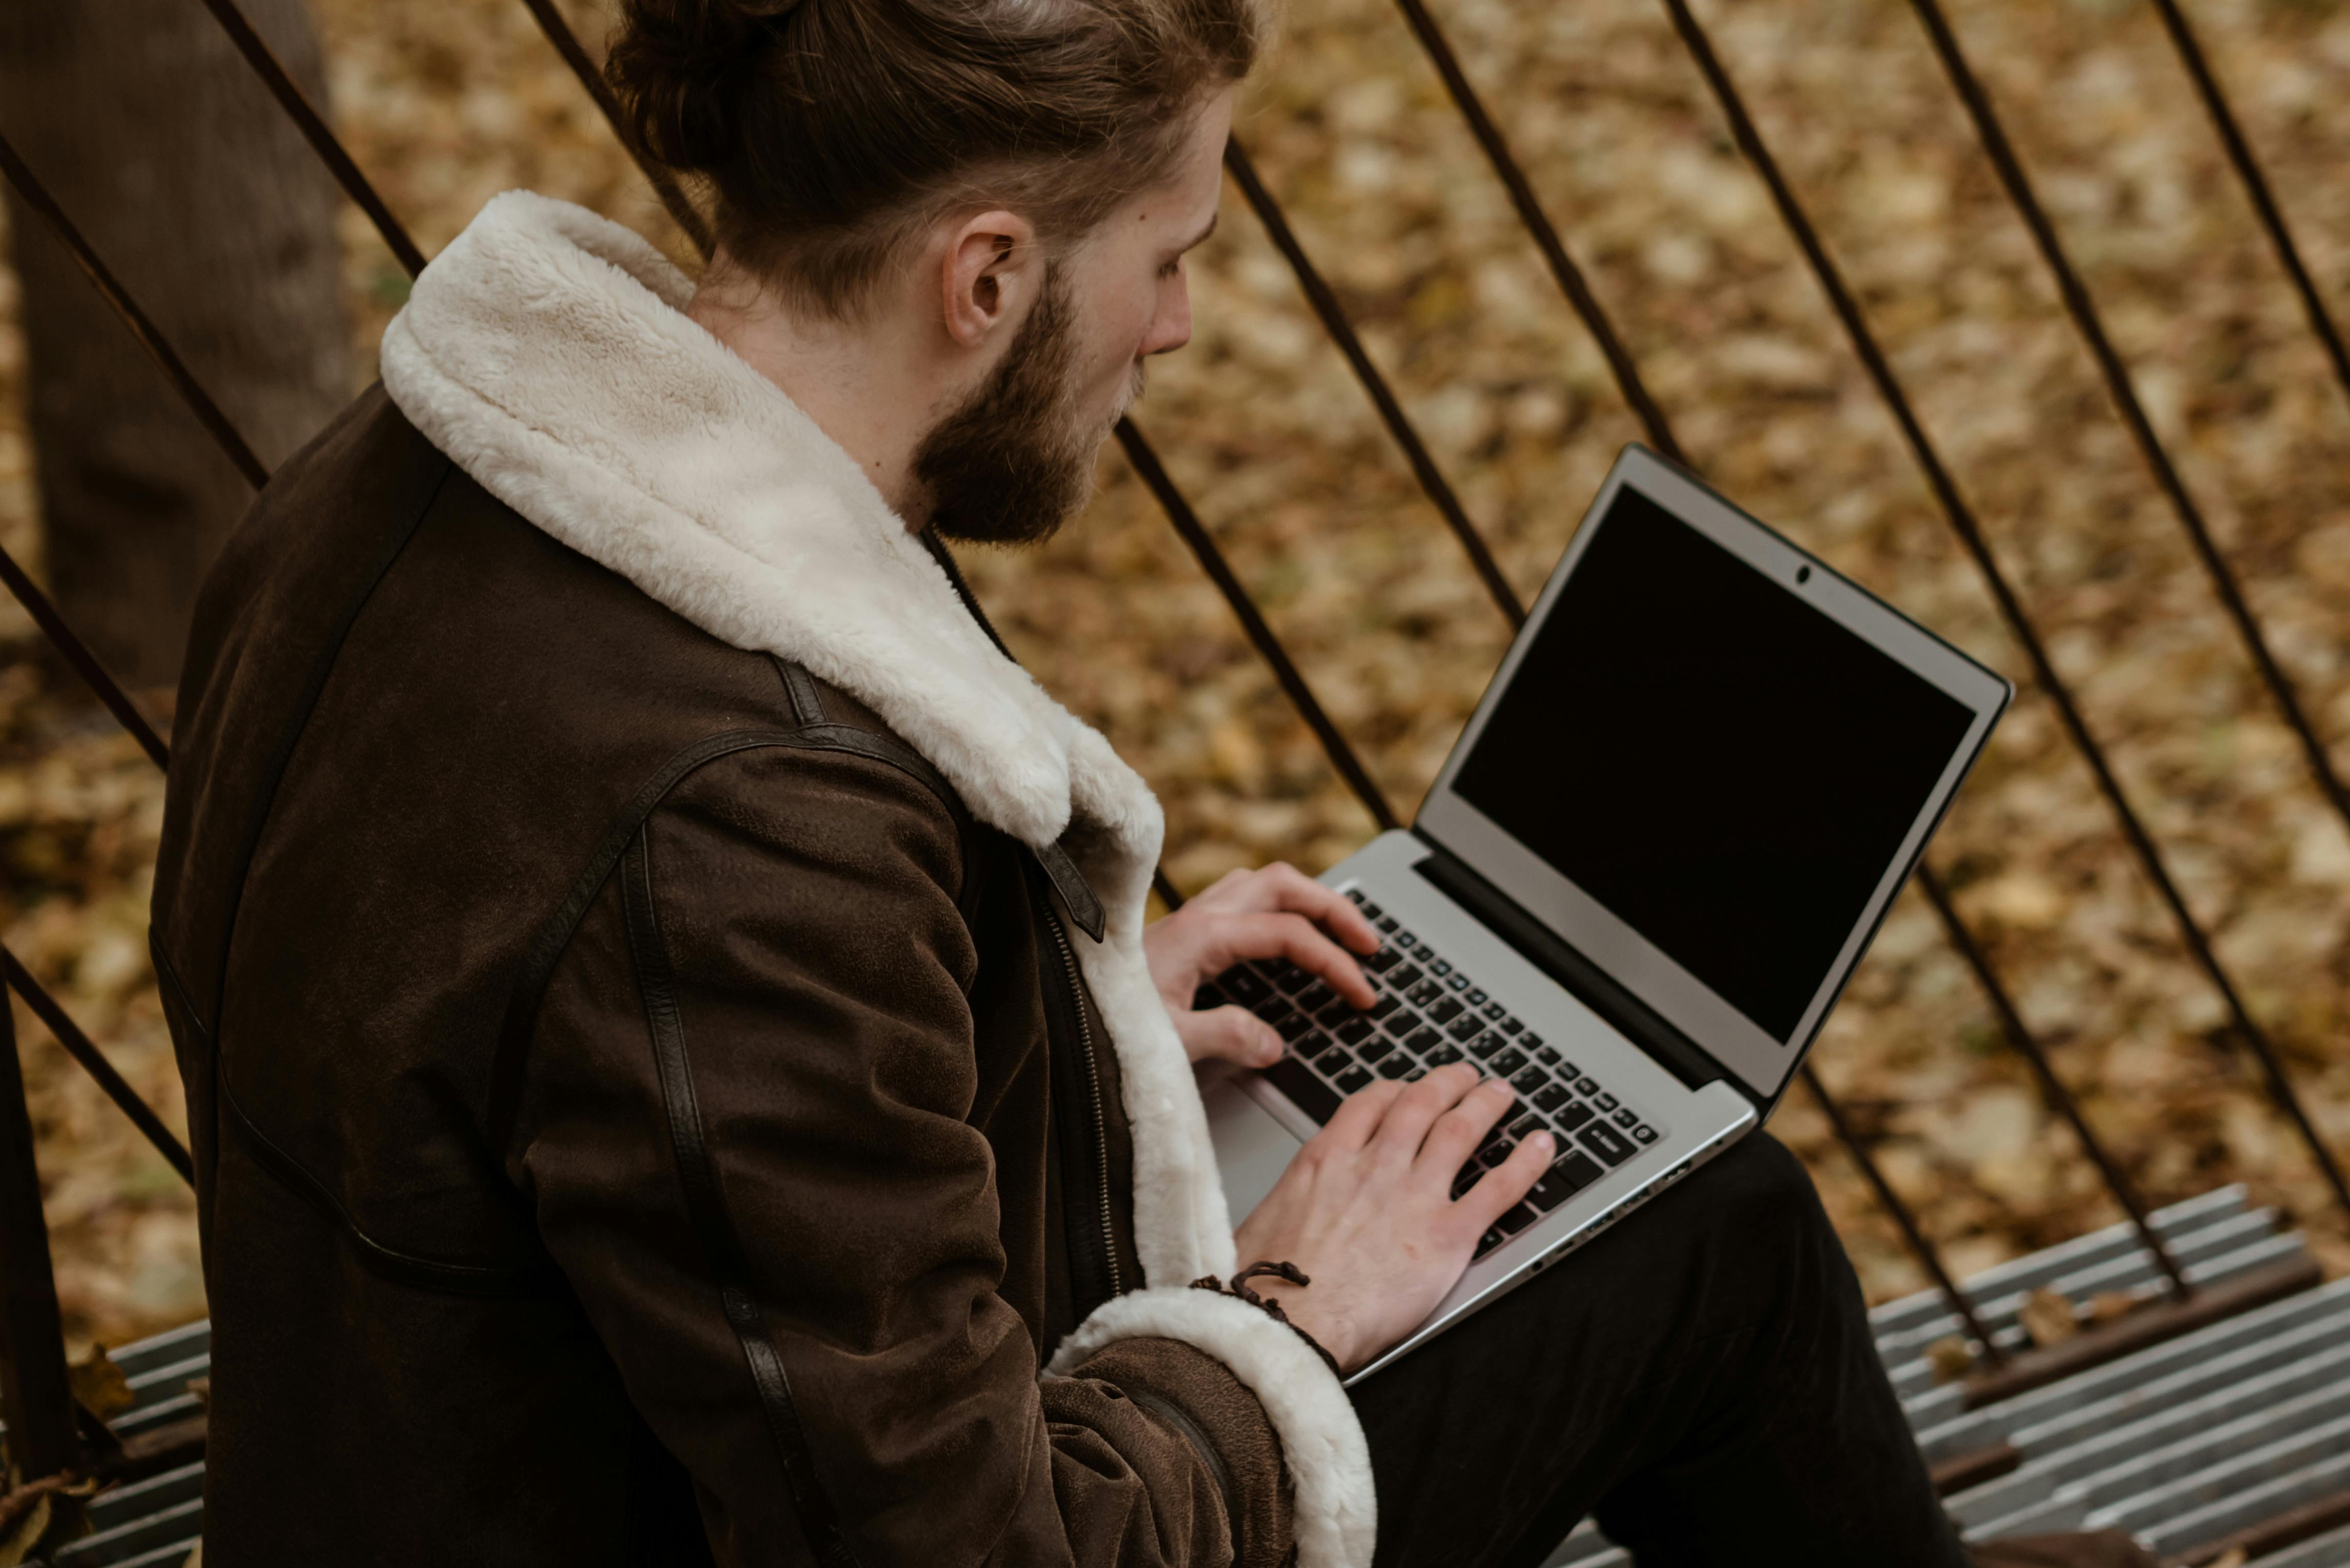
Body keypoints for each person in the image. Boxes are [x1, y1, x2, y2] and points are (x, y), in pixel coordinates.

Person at [146, 0, 2157, 1563]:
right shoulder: (746, 829)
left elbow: (592, 1104)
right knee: (1703, 1234)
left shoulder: (375, 498)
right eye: (1170, 254)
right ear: (987, 275)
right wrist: (1282, 1309)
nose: (1182, 324)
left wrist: (1061, 1025)